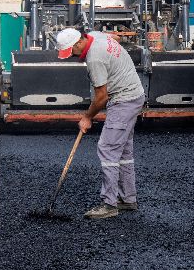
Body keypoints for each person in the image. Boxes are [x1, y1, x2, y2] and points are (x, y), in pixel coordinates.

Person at [55, 28, 146, 220]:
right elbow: (116, 37)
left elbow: (101, 97)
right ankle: (128, 199)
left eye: (72, 51)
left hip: (124, 100)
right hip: (134, 95)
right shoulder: (95, 35)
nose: (73, 56)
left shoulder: (95, 58)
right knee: (124, 151)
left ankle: (109, 204)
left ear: (79, 42)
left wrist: (87, 117)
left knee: (108, 149)